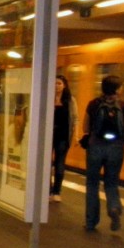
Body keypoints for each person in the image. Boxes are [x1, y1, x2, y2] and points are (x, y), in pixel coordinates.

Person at [82, 75, 124, 232]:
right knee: (112, 182)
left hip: (95, 147)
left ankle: (91, 222)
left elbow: (85, 127)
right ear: (116, 89)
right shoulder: (123, 105)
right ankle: (113, 207)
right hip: (116, 148)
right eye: (121, 86)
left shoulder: (93, 104)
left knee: (92, 184)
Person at [50, 74, 78, 202]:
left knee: (59, 163)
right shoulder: (47, 98)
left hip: (63, 136)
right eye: (55, 83)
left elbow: (75, 119)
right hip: (48, 137)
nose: (56, 86)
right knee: (46, 165)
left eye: (59, 83)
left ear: (64, 85)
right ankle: (48, 189)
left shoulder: (70, 100)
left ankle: (57, 191)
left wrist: (76, 135)